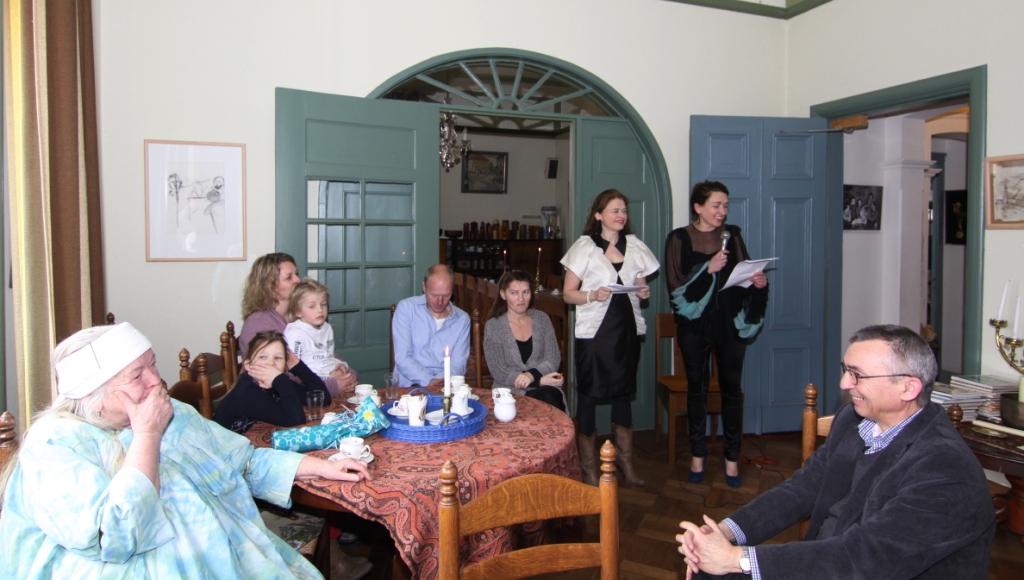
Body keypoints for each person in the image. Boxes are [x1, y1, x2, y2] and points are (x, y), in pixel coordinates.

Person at [0, 322, 373, 579]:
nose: (155, 381)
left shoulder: (171, 412)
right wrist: (147, 433)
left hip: (228, 555)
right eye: (137, 375)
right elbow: (116, 536)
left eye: (152, 365)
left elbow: (240, 460)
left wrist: (317, 466)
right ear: (92, 395)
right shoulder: (54, 444)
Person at [677, 325, 995, 579]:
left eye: (858, 374)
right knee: (708, 570)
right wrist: (726, 533)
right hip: (831, 563)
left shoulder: (946, 469)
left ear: (908, 388)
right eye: (846, 369)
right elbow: (803, 488)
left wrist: (736, 558)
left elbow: (866, 559)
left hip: (858, 569)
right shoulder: (853, 421)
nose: (844, 383)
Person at [664, 180, 768, 488]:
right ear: (698, 207)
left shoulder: (732, 235)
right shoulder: (679, 238)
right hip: (694, 327)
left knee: (732, 390)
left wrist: (757, 282)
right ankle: (698, 455)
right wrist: (707, 269)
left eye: (725, 205)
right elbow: (675, 287)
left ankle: (731, 458)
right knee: (696, 389)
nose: (722, 211)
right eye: (716, 205)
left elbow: (743, 274)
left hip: (729, 323)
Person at [561, 189, 659, 487]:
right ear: (598, 215)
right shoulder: (584, 247)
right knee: (589, 396)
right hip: (594, 335)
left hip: (626, 332)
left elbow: (640, 286)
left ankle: (625, 464)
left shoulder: (636, 247)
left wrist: (643, 291)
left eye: (624, 211)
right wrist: (592, 294)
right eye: (615, 210)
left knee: (622, 394)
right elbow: (568, 294)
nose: (621, 215)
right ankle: (589, 468)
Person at [239, 252, 357, 388]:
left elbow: (320, 351)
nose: (298, 280)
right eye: (289, 277)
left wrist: (347, 372)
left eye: (296, 274)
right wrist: (331, 385)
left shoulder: (301, 314)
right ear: (270, 287)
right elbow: (276, 377)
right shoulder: (257, 323)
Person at [214, 330, 332, 434]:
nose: (271, 363)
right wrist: (280, 380)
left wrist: (298, 366)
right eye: (262, 357)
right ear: (248, 365)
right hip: (225, 449)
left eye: (278, 358)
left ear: (285, 365)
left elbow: (323, 398)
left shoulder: (277, 381)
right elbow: (296, 420)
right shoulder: (248, 391)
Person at [483, 270, 566, 412]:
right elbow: (498, 371)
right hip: (508, 393)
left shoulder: (542, 319)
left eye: (526, 292)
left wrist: (531, 375)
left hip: (544, 390)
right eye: (514, 293)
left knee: (550, 396)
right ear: (503, 294)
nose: (521, 298)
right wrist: (538, 381)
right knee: (549, 397)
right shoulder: (494, 326)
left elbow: (553, 358)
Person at [391, 264, 470, 388]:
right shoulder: (406, 309)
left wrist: (440, 381)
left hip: (445, 386)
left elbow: (458, 364)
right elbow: (402, 357)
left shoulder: (462, 319)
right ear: (424, 287)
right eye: (434, 295)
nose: (440, 302)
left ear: (452, 290)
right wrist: (429, 380)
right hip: (409, 386)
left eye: (446, 295)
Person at [284, 278, 355, 397]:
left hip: (330, 375)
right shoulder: (295, 333)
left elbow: (327, 356)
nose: (320, 310)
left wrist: (339, 366)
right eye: (312, 306)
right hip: (312, 384)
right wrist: (328, 377)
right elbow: (293, 371)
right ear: (298, 311)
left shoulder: (327, 328)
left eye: (323, 304)